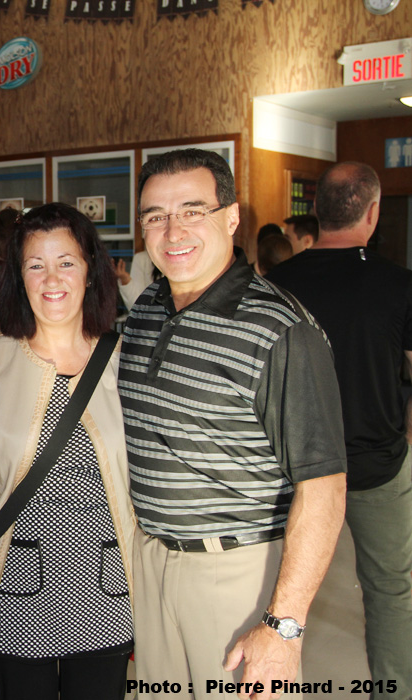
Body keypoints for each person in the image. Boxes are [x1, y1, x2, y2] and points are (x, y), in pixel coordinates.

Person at [121, 149, 347, 699]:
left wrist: (283, 624)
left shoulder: (282, 330)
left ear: (231, 216)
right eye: (155, 215)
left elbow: (325, 488)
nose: (172, 230)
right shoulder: (147, 309)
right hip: (150, 565)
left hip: (238, 573)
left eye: (192, 210)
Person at [0, 203, 133, 699]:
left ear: (91, 269)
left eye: (66, 261)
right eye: (35, 265)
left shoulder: (125, 360)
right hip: (17, 590)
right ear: (17, 276)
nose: (52, 279)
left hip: (110, 590)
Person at [267, 162, 412, 696]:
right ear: (372, 214)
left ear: (318, 212)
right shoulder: (399, 285)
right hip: (378, 466)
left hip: (293, 474)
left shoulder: (275, 286)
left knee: (283, 597)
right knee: (391, 592)